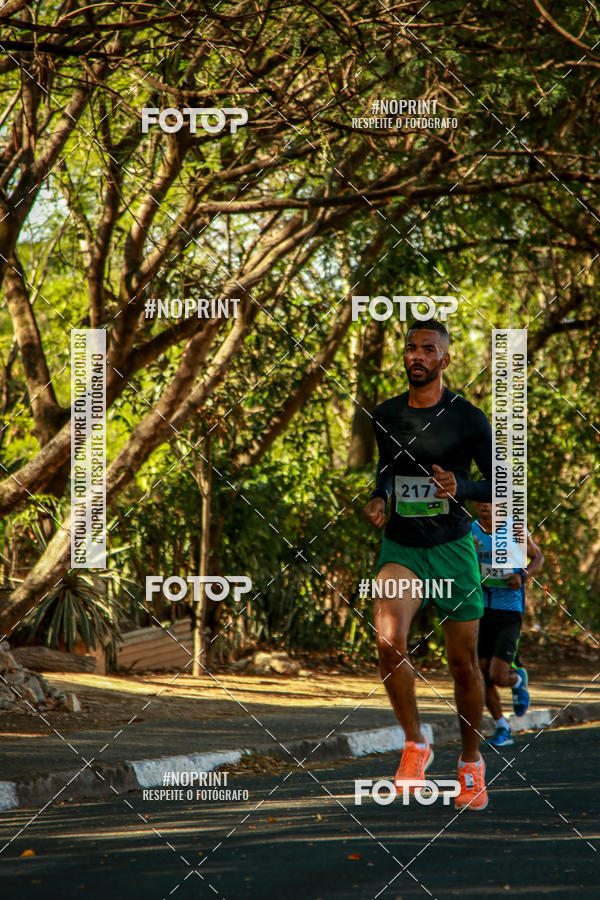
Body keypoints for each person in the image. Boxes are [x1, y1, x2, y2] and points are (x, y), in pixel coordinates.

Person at [363, 318, 492, 811]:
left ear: (445, 359)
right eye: (411, 348)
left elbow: (498, 480)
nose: (417, 356)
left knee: (462, 664)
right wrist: (379, 498)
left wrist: (464, 488)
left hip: (453, 547)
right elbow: (385, 473)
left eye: (428, 349)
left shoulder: (468, 418)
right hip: (403, 546)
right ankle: (416, 745)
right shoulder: (386, 415)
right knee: (389, 641)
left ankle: (471, 764)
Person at [472, 501, 544, 747]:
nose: (484, 507)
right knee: (482, 674)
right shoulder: (471, 531)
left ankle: (516, 680)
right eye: (480, 502)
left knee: (498, 675)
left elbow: (538, 556)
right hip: (482, 609)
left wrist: (522, 576)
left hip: (509, 611)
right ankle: (502, 726)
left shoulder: (515, 529)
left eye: (490, 503)